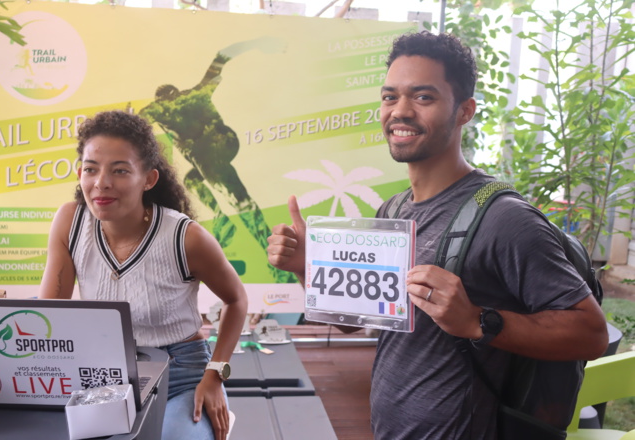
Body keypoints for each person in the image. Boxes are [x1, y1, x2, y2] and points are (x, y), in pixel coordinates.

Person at [267, 31, 608, 440]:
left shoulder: (504, 220)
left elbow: (592, 334)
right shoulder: (393, 211)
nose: (400, 111)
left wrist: (477, 321)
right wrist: (306, 268)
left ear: (464, 111)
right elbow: (354, 324)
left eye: (423, 97)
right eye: (390, 96)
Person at [39, 110, 248, 440]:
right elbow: (51, 313)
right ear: (80, 173)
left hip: (180, 373)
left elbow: (236, 300)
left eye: (120, 170)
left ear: (148, 179)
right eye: (91, 169)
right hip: (104, 370)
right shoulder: (70, 222)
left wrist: (214, 375)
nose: (101, 182)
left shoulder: (185, 237)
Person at [139, 37, 295, 283]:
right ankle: (222, 218)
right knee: (192, 181)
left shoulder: (158, 109)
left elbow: (132, 126)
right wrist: (259, 43)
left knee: (240, 201)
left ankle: (277, 266)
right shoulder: (196, 93)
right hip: (228, 143)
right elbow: (221, 56)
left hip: (208, 154)